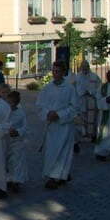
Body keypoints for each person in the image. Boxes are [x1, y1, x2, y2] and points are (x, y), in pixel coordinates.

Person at [38, 61, 78, 189]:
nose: (55, 74)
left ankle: (56, 177)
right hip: (52, 126)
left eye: (58, 71)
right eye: (53, 71)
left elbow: (74, 107)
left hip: (64, 126)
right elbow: (40, 105)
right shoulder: (47, 88)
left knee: (63, 151)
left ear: (63, 72)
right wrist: (48, 113)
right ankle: (57, 174)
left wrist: (59, 114)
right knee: (51, 151)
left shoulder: (70, 88)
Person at [4, 90, 28, 193]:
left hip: (17, 141)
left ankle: (16, 181)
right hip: (6, 140)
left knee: (17, 161)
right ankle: (8, 179)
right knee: (7, 160)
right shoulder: (4, 112)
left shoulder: (21, 113)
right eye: (9, 102)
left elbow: (25, 127)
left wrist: (18, 132)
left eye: (12, 103)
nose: (11, 105)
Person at [95, 70, 110, 161]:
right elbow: (98, 100)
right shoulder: (102, 87)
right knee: (105, 134)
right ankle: (101, 153)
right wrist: (106, 100)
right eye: (109, 76)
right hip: (106, 115)